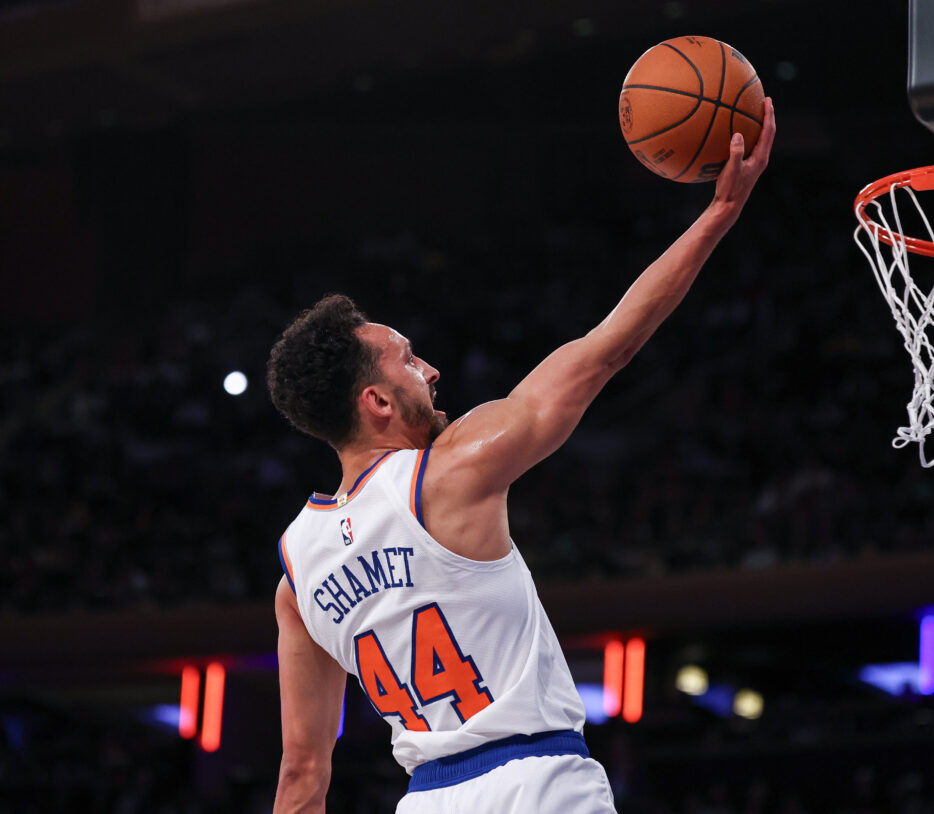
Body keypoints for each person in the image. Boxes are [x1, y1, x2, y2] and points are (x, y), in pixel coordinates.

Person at [266, 98, 776, 814]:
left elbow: (301, 776)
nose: (431, 369)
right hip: (536, 784)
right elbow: (607, 350)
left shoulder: (298, 573)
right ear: (376, 402)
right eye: (409, 361)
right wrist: (719, 213)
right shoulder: (448, 471)